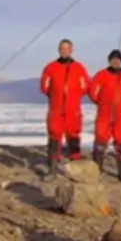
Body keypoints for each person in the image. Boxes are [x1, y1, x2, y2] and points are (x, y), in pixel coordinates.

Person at [39, 38, 90, 172]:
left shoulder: (79, 68)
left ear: (72, 50)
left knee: (73, 135)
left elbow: (85, 86)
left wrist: (73, 96)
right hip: (56, 109)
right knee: (54, 135)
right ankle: (53, 164)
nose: (65, 51)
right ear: (58, 50)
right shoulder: (51, 68)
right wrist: (56, 96)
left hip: (73, 109)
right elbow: (45, 87)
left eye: (67, 48)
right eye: (62, 48)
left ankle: (75, 165)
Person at [88, 49, 121, 180]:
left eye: (118, 59)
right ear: (109, 60)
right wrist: (101, 102)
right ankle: (96, 172)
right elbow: (92, 91)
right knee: (100, 143)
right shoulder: (101, 75)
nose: (116, 61)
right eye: (113, 59)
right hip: (104, 114)